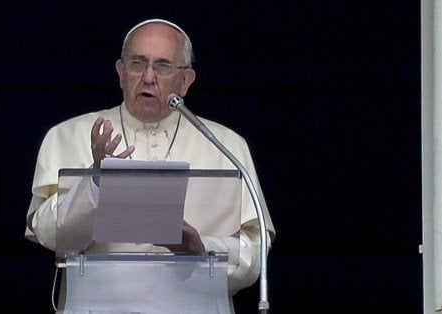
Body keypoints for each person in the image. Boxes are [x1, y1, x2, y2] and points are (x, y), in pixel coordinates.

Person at [25, 18, 276, 312]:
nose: (148, 77)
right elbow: (49, 236)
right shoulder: (68, 135)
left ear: (186, 80)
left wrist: (202, 249)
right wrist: (95, 180)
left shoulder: (227, 145)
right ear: (120, 73)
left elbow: (255, 252)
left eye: (163, 66)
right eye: (137, 63)